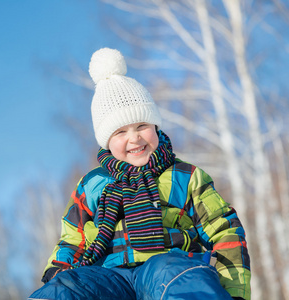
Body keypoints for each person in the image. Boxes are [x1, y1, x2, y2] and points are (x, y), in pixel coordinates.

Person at [28, 48, 251, 300]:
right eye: (120, 132)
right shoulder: (92, 184)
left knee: (175, 274)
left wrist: (235, 292)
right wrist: (58, 272)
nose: (134, 138)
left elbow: (226, 231)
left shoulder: (184, 176)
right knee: (66, 287)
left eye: (142, 125)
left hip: (166, 266)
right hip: (107, 277)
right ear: (106, 142)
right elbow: (72, 239)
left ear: (155, 126)